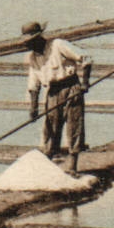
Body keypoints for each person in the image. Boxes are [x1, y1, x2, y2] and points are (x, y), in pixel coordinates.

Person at [22, 21, 92, 173]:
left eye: (30, 42)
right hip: (52, 92)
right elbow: (34, 85)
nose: (28, 46)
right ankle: (49, 165)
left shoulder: (58, 45)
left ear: (38, 38)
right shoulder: (33, 58)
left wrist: (85, 83)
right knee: (50, 128)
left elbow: (86, 59)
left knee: (74, 125)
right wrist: (33, 108)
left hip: (70, 87)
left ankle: (72, 166)